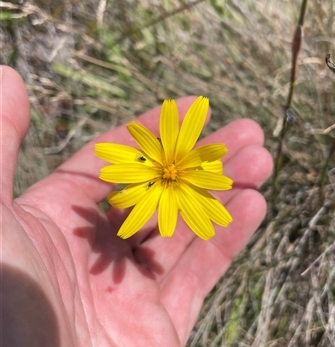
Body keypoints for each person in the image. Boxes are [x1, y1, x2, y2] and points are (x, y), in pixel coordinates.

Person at [0, 66, 273, 347]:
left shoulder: (196, 169)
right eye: (169, 170)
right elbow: (131, 194)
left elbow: (210, 166)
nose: (170, 171)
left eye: (173, 170)